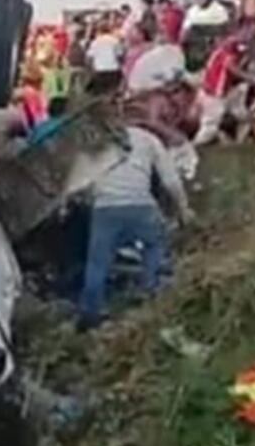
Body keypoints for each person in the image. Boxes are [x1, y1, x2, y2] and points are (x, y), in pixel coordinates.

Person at [77, 125, 193, 330]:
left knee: (97, 264)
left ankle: (90, 314)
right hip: (141, 205)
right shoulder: (148, 139)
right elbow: (170, 180)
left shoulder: (97, 140)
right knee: (155, 245)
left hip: (105, 208)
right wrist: (183, 209)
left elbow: (82, 183)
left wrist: (93, 200)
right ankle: (151, 292)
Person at [194, 34, 255, 145]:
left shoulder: (218, 52)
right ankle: (195, 146)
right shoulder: (227, 55)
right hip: (214, 95)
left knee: (244, 117)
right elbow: (233, 69)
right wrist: (250, 78)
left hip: (218, 92)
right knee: (210, 127)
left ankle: (238, 143)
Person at [86, 22, 123, 95]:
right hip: (113, 69)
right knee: (112, 92)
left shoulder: (95, 42)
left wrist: (92, 69)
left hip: (100, 70)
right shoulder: (115, 41)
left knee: (102, 94)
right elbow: (120, 55)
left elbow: (90, 57)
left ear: (99, 31)